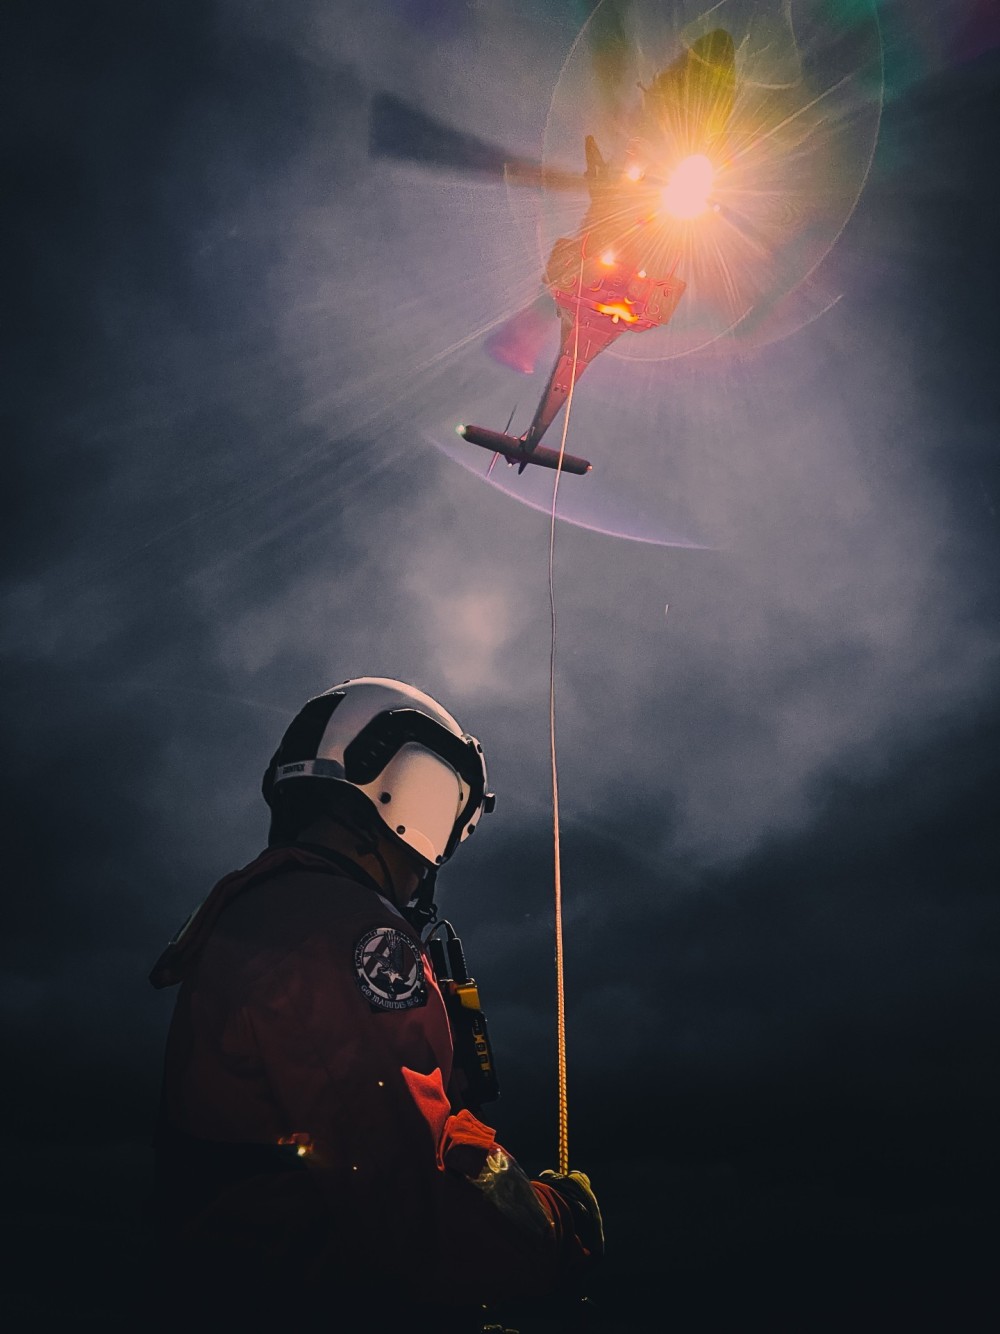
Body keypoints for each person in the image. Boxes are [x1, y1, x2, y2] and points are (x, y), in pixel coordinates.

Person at [149, 677, 602, 1330]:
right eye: (439, 811)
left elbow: (422, 1136)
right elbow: (408, 1208)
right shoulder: (339, 929)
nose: (431, 860)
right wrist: (558, 1231)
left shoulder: (267, 917)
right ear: (392, 788)